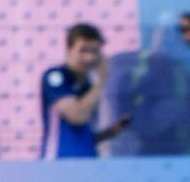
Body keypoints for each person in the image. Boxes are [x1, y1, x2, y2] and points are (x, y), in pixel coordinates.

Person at [43, 22, 130, 158]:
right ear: (69, 50)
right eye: (83, 50)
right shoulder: (56, 77)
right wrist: (101, 80)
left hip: (87, 163)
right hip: (59, 163)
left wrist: (110, 132)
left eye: (94, 51)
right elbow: (77, 117)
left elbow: (82, 135)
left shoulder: (88, 85)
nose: (89, 58)